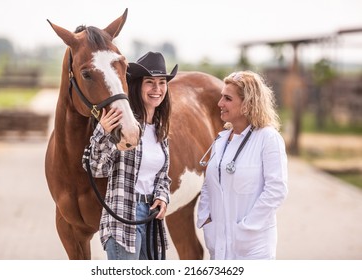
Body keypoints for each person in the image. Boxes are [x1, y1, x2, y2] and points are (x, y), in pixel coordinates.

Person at [82, 51, 178, 260]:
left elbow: (162, 176)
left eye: (162, 82)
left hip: (152, 218)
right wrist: (102, 132)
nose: (157, 89)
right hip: (124, 218)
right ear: (137, 86)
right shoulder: (123, 127)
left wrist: (162, 196)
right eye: (150, 82)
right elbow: (96, 168)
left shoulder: (160, 131)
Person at [197, 70, 288, 260]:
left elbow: (276, 190)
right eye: (222, 97)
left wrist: (246, 229)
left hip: (252, 245)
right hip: (219, 244)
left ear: (247, 104)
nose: (220, 103)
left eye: (227, 98)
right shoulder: (221, 140)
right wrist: (206, 219)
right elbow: (208, 185)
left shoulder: (268, 138)